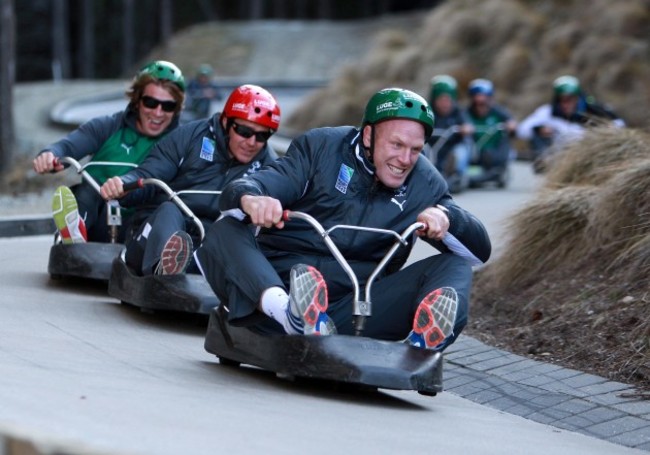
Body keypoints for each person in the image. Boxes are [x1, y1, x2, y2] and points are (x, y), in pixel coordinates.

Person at [195, 88, 491, 352]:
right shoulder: (320, 148)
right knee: (226, 227)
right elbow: (256, 185)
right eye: (396, 145)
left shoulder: (424, 181)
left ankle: (422, 346)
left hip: (354, 310)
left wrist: (448, 218)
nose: (405, 159)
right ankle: (292, 315)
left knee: (453, 265)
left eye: (415, 150)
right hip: (277, 290)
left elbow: (478, 253)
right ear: (368, 135)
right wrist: (253, 198)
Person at [99, 84, 280, 276]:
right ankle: (163, 270)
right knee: (169, 209)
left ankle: (196, 273)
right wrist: (124, 184)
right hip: (155, 234)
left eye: (262, 135)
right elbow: (150, 172)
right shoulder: (190, 136)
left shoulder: (270, 165)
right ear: (226, 122)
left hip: (209, 247)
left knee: (237, 232)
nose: (252, 142)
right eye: (244, 131)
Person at [33, 60, 186, 244]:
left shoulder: (181, 141)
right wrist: (50, 155)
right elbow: (67, 146)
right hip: (99, 216)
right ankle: (75, 231)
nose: (158, 112)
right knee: (88, 190)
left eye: (167, 106)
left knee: (165, 207)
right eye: (150, 102)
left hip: (141, 224)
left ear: (176, 109)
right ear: (137, 101)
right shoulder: (108, 126)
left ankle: (161, 254)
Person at [516, 75, 626, 172]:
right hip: (556, 157)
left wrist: (606, 130)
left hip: (587, 154)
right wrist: (539, 129)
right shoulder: (547, 113)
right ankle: (545, 165)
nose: (566, 104)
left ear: (578, 98)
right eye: (563, 100)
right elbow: (522, 130)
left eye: (570, 100)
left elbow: (620, 124)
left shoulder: (593, 111)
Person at [424, 75, 474, 193]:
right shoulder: (427, 111)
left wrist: (465, 128)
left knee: (460, 151)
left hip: (451, 146)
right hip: (431, 145)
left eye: (448, 99)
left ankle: (455, 173)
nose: (445, 103)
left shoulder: (458, 111)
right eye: (441, 99)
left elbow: (468, 125)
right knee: (422, 150)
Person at [464, 78, 517, 187]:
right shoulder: (465, 113)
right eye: (477, 103)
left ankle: (498, 170)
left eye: (483, 102)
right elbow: (459, 122)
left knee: (504, 139)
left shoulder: (498, 112)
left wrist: (511, 125)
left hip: (494, 149)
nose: (480, 106)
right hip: (474, 150)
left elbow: (511, 122)